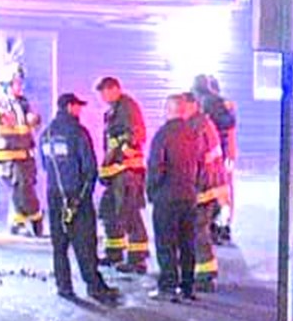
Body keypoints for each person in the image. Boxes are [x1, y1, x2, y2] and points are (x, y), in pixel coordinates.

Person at [39, 93, 121, 305]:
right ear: (69, 107)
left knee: (59, 244)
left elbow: (44, 166)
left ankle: (64, 286)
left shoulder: (45, 134)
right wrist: (85, 194)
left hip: (54, 194)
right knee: (85, 244)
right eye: (78, 107)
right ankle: (95, 287)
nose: (80, 111)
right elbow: (89, 167)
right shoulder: (77, 132)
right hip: (77, 194)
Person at [146, 92, 207, 301]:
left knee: (166, 243)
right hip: (188, 197)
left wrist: (151, 191)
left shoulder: (162, 135)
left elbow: (155, 167)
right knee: (187, 244)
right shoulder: (194, 133)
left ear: (169, 110)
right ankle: (188, 287)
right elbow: (200, 165)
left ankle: (168, 286)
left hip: (166, 197)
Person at [93, 75, 150, 273]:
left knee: (129, 212)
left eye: (104, 91)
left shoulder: (127, 107)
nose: (102, 96)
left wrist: (124, 148)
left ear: (115, 89)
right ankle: (114, 252)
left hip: (127, 171)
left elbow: (136, 134)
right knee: (110, 211)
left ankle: (138, 258)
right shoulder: (113, 110)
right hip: (115, 170)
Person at [0, 67, 44, 236]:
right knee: (20, 187)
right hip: (8, 155)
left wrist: (34, 119)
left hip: (25, 153)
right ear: (7, 84)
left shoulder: (23, 102)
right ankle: (33, 218)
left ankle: (22, 220)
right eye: (16, 83)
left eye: (20, 82)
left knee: (24, 188)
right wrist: (0, 116)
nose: (19, 86)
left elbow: (32, 120)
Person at [191, 74, 237, 243]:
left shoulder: (205, 104)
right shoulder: (224, 105)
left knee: (210, 192)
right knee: (223, 193)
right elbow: (230, 130)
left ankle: (215, 226)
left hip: (213, 156)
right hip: (224, 156)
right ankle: (222, 226)